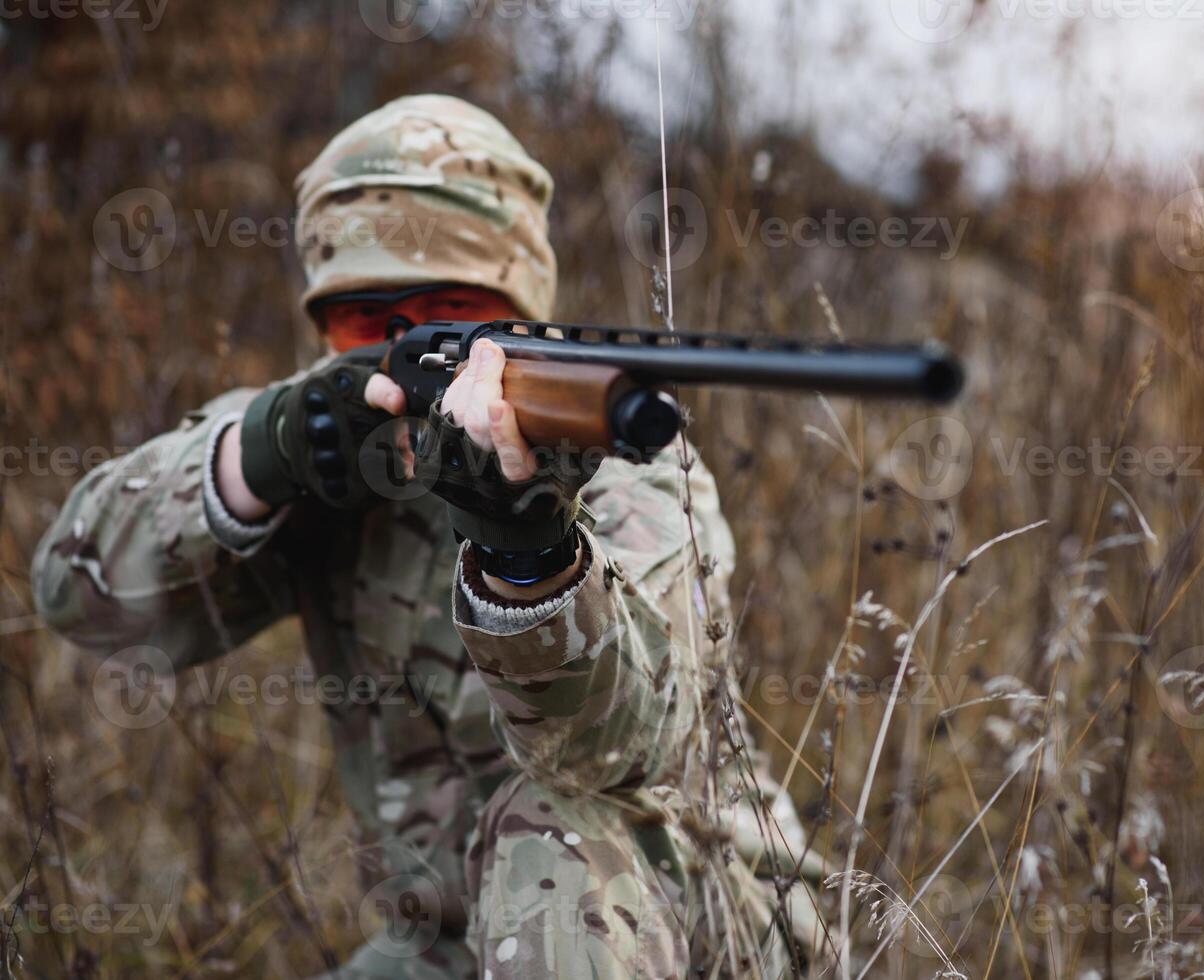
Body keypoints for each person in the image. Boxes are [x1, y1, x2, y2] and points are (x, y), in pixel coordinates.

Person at [32, 94, 824, 978]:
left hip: (695, 916)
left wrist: (530, 549)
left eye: (454, 305)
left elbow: (619, 754)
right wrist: (262, 456)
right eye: (366, 321)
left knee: (553, 836)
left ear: (520, 303)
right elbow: (78, 597)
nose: (408, 347)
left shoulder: (628, 467)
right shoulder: (313, 431)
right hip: (452, 945)